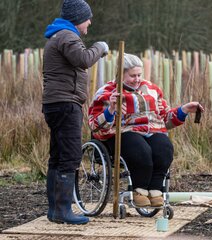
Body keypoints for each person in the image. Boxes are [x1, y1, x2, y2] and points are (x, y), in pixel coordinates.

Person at [88, 53, 204, 208]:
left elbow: (164, 118)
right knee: (140, 150)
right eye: (132, 76)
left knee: (164, 147)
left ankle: (155, 190)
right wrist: (110, 110)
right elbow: (95, 126)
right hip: (121, 133)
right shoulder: (107, 93)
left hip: (152, 130)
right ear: (120, 73)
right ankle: (139, 190)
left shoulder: (151, 90)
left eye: (139, 75)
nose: (137, 79)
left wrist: (183, 110)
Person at [42, 0, 109, 225]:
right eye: (87, 17)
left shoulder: (57, 36)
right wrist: (100, 46)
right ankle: (63, 211)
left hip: (55, 103)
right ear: (78, 18)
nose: (90, 22)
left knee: (58, 156)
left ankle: (55, 210)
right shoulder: (67, 36)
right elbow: (83, 60)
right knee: (70, 156)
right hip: (65, 104)